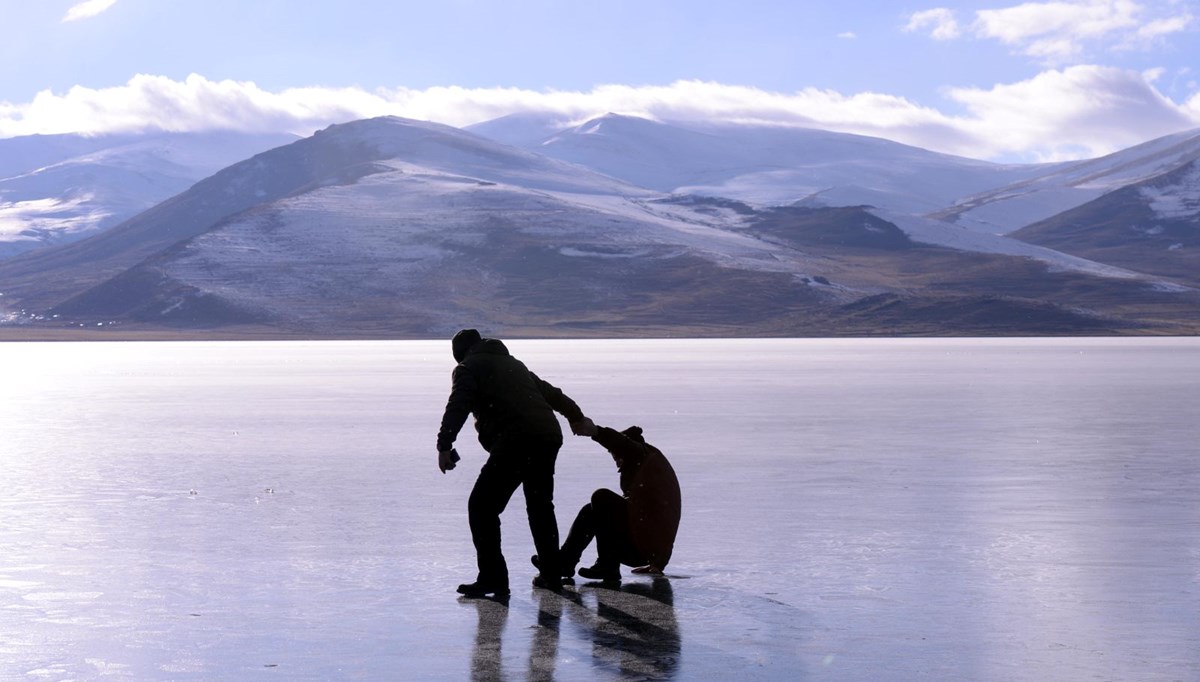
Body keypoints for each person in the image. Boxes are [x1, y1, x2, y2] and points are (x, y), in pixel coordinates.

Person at [436, 328, 595, 598]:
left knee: (482, 507)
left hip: (516, 439)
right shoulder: (513, 364)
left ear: (460, 354)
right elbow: (551, 393)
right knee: (540, 506)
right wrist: (577, 417)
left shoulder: (467, 368)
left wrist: (445, 445)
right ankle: (551, 575)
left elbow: (458, 404)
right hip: (547, 435)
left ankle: (493, 578)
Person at [538, 424, 681, 582]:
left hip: (641, 548)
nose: (617, 464)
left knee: (602, 497)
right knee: (590, 511)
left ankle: (607, 565)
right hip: (647, 548)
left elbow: (620, 442)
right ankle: (564, 563)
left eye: (616, 457)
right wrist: (659, 561)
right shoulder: (651, 464)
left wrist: (596, 431)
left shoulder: (639, 454)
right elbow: (666, 518)